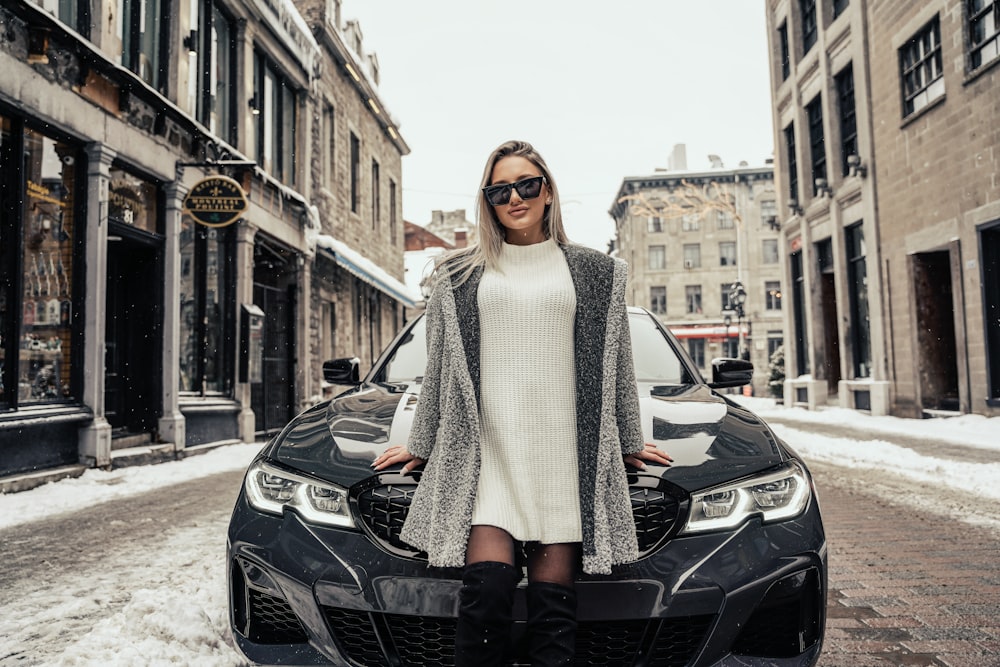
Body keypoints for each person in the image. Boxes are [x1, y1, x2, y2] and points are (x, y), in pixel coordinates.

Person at [373, 140, 672, 666]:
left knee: (553, 613)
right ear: (488, 201)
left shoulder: (597, 272)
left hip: (562, 455)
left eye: (527, 184)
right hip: (488, 451)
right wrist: (421, 444)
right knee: (485, 595)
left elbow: (617, 366)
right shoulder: (458, 274)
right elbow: (440, 369)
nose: (515, 197)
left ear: (548, 190)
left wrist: (624, 441)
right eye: (500, 189)